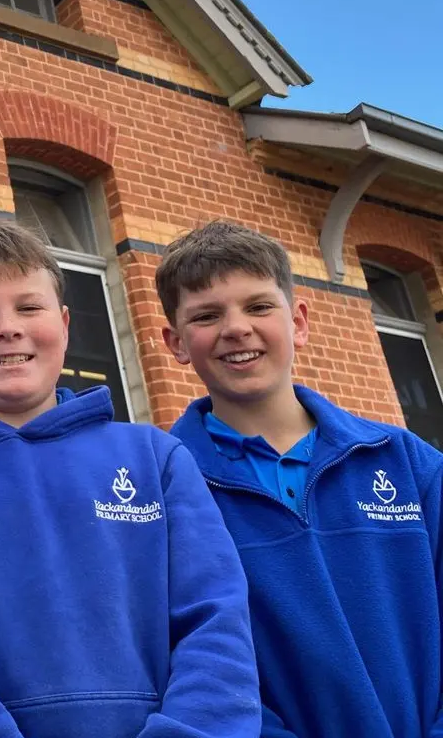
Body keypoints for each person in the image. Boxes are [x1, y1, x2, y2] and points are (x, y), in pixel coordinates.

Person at [0, 216, 258, 738]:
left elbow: (216, 625)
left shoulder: (155, 460)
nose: (8, 327)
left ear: (65, 324)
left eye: (29, 306)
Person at [160, 219, 443, 738]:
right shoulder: (167, 491)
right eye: (206, 315)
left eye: (259, 306)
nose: (236, 328)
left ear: (300, 321)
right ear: (176, 342)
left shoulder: (407, 463)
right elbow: (184, 661)